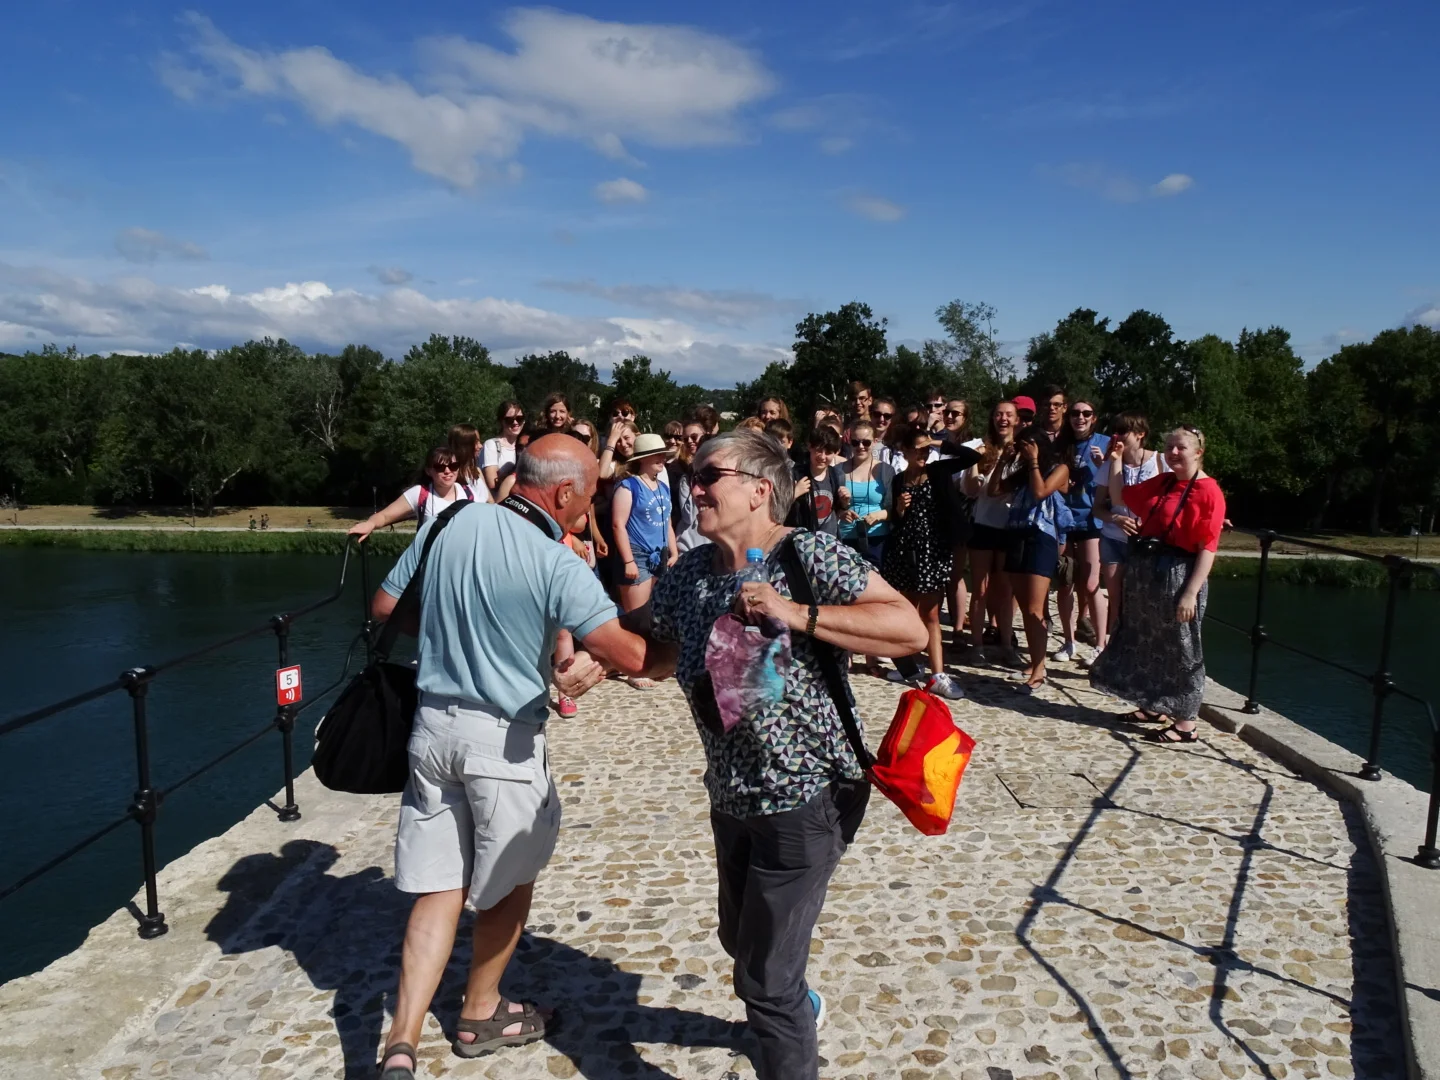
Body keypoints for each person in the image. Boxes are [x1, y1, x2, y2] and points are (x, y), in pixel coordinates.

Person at [561, 429, 926, 1080]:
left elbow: (908, 628)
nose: (694, 488)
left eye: (711, 476)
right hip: (732, 793)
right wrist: (599, 658)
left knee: (764, 981)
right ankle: (798, 1003)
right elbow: (660, 651)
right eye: (692, 476)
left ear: (760, 490)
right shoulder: (690, 575)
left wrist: (797, 611)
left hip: (807, 793)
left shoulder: (807, 555)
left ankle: (786, 1019)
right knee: (739, 938)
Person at [371, 435, 675, 1079]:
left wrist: (450, 629)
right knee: (507, 887)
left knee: (439, 886)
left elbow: (385, 606)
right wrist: (686, 647)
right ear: (563, 493)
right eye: (588, 498)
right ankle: (480, 1012)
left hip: (431, 729)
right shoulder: (555, 560)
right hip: (502, 742)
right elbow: (630, 654)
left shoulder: (450, 522)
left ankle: (401, 1042)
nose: (590, 510)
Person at [1090, 426, 1225, 742]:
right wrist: (1116, 460)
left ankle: (1186, 724)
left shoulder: (1208, 492)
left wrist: (1190, 593)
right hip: (1149, 574)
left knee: (1182, 647)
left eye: (1181, 448)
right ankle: (1154, 706)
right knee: (1149, 641)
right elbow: (1120, 496)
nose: (1173, 453)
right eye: (1169, 447)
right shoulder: (1165, 482)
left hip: (1179, 575)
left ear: (1198, 452)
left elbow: (1208, 547)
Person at [882, 427, 966, 699]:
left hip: (932, 551)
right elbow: (897, 520)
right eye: (918, 448)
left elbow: (971, 457)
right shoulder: (899, 479)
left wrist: (938, 443)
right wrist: (899, 508)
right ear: (905, 451)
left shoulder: (938, 472)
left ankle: (938, 674)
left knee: (930, 613)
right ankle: (910, 665)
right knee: (907, 610)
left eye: (926, 448)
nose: (923, 453)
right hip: (904, 551)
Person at [1002, 426, 1069, 692]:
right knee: (1024, 608)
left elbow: (1041, 492)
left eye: (1028, 445)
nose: (1024, 450)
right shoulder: (1023, 471)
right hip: (1016, 534)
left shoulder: (1059, 468)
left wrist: (1033, 461)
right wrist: (1005, 461)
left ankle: (1040, 670)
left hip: (1041, 538)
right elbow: (995, 490)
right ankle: (1034, 661)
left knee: (1034, 609)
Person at [1092, 411, 1168, 640]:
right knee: (1116, 598)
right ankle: (1111, 647)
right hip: (1113, 539)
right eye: (1115, 431)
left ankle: (1141, 647)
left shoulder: (1161, 462)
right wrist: (1116, 518)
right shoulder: (1111, 463)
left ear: (1140, 434)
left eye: (1123, 431)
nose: (1117, 436)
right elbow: (1099, 507)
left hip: (1147, 542)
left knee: (1144, 598)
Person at [962, 403, 1022, 664]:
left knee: (1006, 591)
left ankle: (1006, 645)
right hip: (983, 524)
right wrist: (972, 464)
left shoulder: (1023, 450)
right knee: (980, 589)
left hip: (1010, 526)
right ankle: (976, 645)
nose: (1003, 419)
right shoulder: (981, 447)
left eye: (1009, 414)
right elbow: (970, 490)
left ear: (1017, 420)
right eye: (998, 414)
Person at [1053, 400, 1109, 666]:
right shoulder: (1061, 444)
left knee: (1091, 584)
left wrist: (1103, 464)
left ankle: (1100, 645)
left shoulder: (1105, 443)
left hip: (1091, 520)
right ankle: (1069, 641)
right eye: (1075, 413)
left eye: (1086, 413)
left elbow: (1118, 479)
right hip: (1064, 519)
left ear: (1094, 418)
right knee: (1065, 582)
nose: (1080, 417)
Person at [348, 446, 489, 542]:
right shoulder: (420, 494)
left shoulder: (470, 494)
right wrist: (370, 524)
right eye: (440, 467)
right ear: (428, 471)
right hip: (431, 565)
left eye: (453, 466)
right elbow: (385, 516)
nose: (447, 471)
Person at [611, 432, 677, 623]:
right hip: (637, 555)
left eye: (663, 455)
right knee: (637, 618)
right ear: (643, 458)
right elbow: (618, 525)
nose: (662, 458)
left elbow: (667, 522)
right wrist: (628, 561)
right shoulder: (628, 486)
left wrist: (674, 552)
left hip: (660, 556)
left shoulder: (663, 487)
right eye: (657, 454)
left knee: (655, 616)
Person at [787, 425, 848, 537]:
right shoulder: (795, 474)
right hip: (802, 540)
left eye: (828, 452)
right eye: (818, 450)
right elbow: (777, 509)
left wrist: (845, 504)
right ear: (810, 447)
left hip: (829, 540)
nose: (822, 457)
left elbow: (837, 509)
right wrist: (794, 494)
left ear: (836, 452)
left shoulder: (837, 475)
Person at [481, 402, 526, 495]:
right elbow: (492, 484)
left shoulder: (525, 445)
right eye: (509, 420)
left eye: (519, 419)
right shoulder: (491, 445)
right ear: (501, 422)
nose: (515, 423)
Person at [449, 424, 484, 489]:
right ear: (464, 446)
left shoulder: (476, 471)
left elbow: (488, 495)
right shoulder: (450, 476)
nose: (481, 446)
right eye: (476, 442)